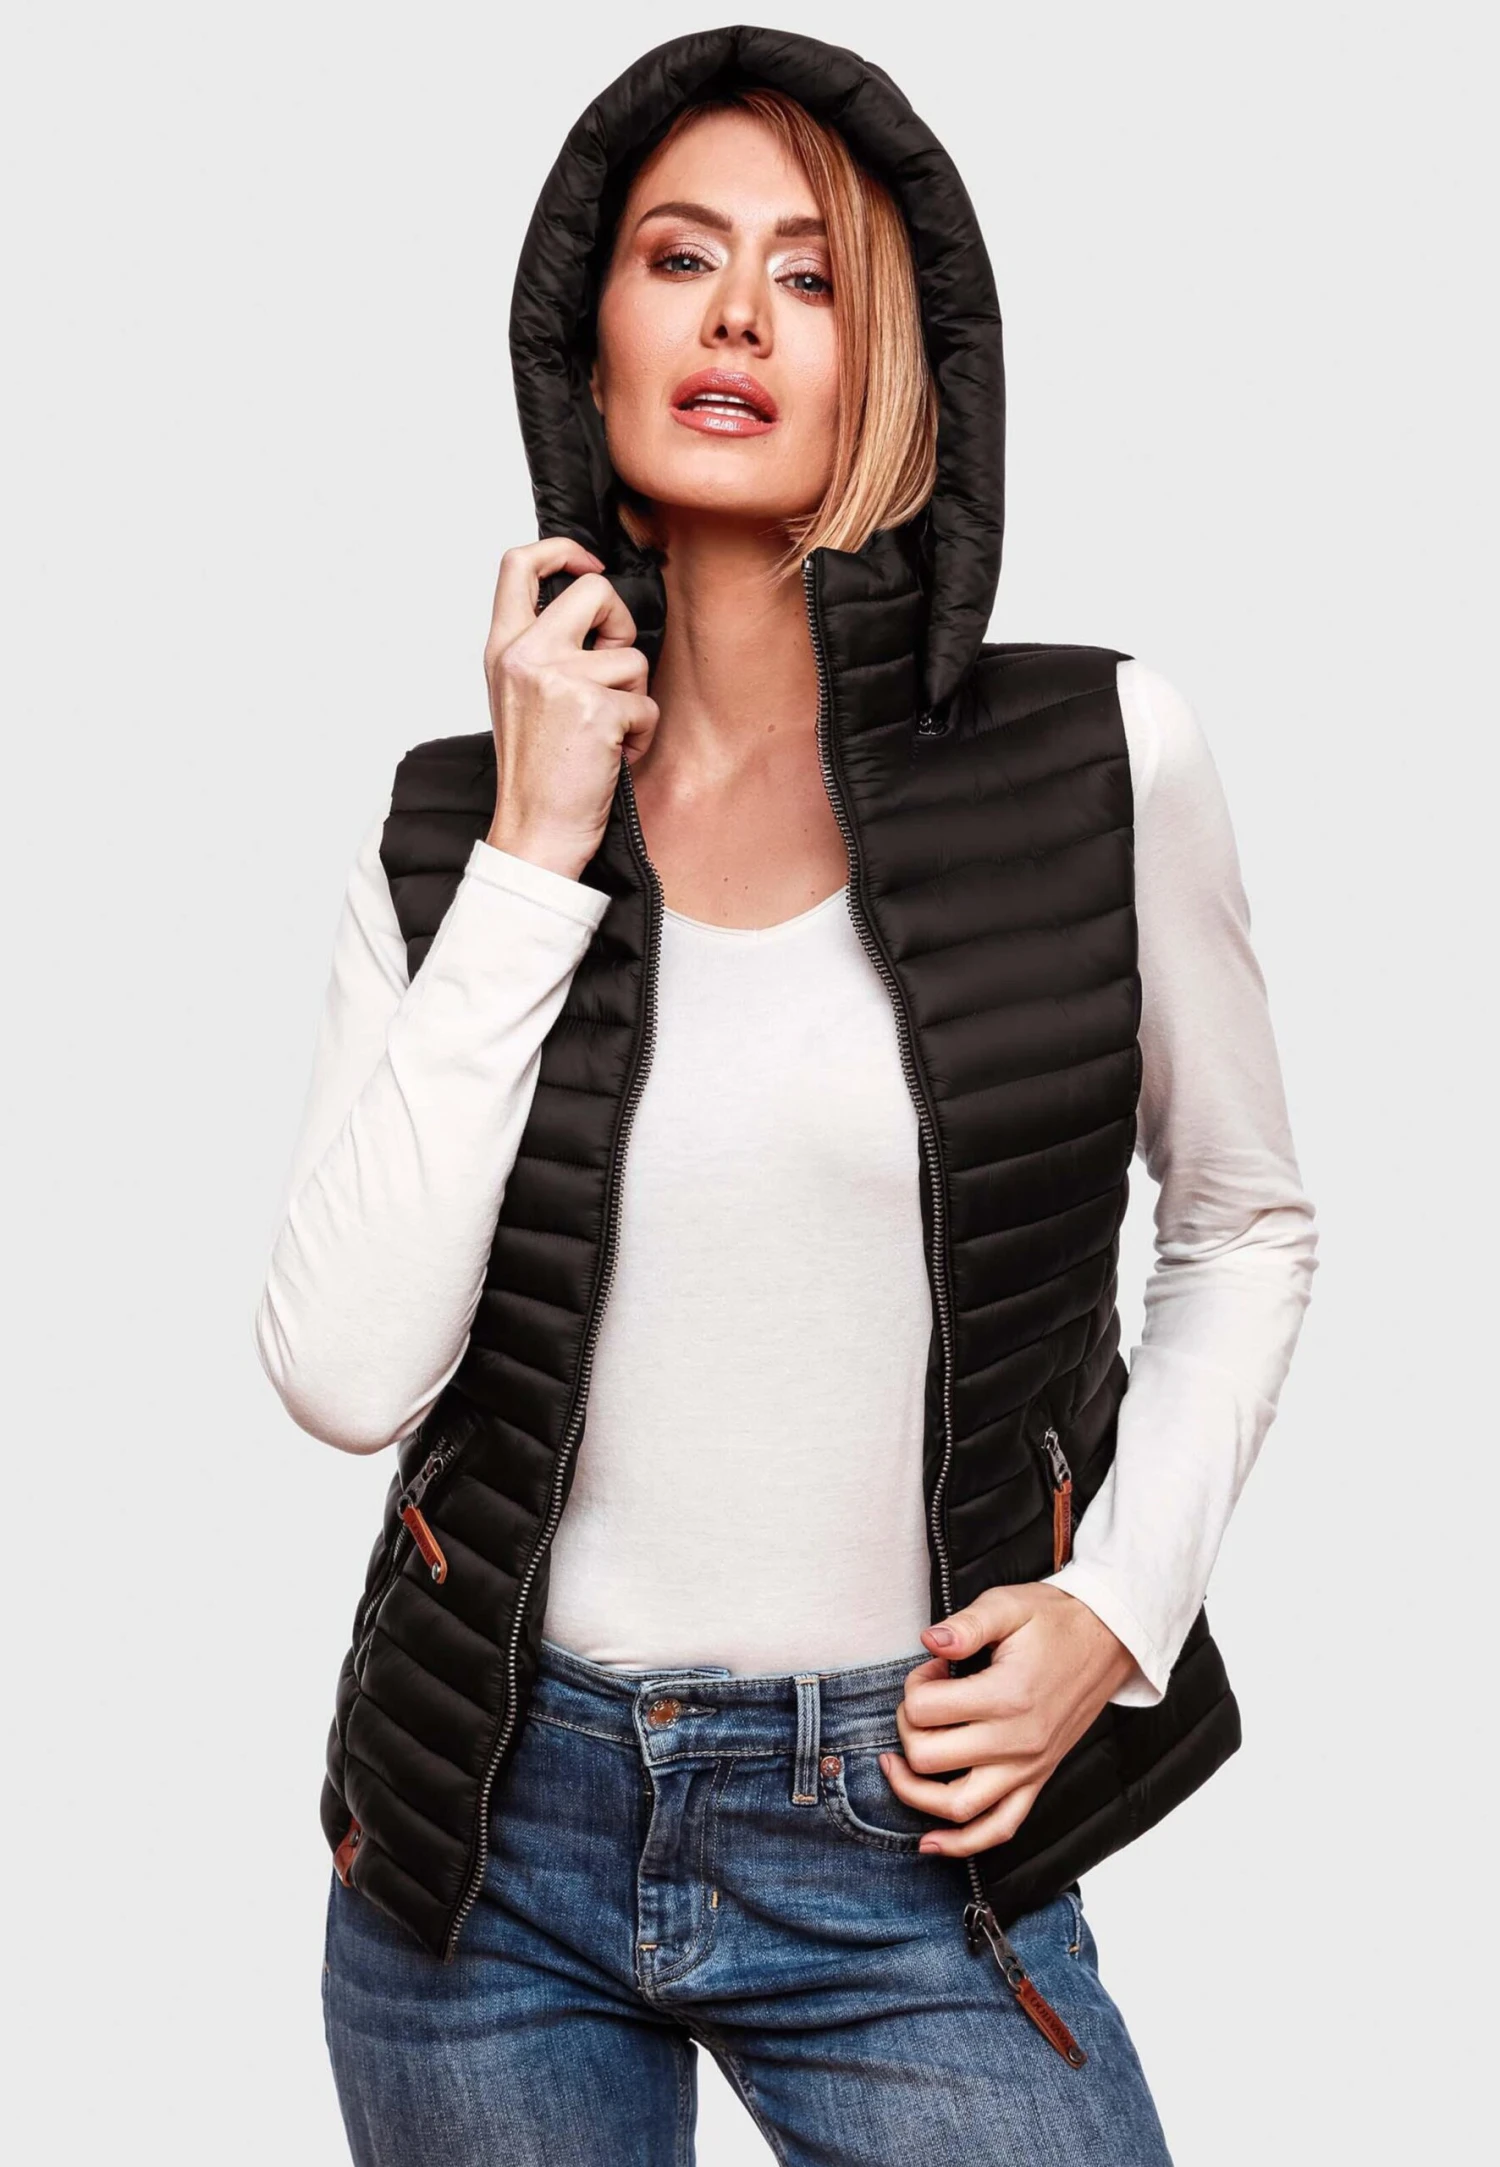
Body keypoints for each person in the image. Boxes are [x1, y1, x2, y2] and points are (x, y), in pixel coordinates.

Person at [255, 27, 1318, 2166]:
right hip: (489, 1848)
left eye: (810, 274)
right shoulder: (450, 830)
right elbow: (348, 1375)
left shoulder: (1102, 754)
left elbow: (1241, 1220)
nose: (738, 315)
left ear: (893, 367)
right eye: (680, 258)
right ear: (591, 352)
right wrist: (534, 851)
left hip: (904, 1828)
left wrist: (1119, 1609)